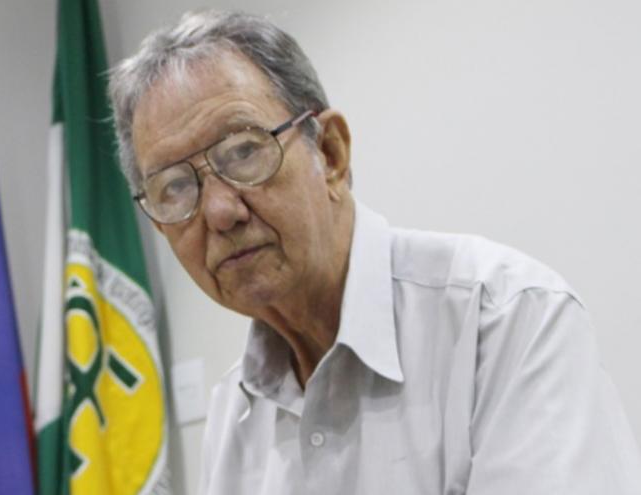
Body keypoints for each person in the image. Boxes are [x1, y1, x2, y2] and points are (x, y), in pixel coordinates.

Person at [109, 10, 641, 495]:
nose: (220, 212)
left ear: (330, 154)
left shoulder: (507, 319)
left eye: (244, 151)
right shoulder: (233, 414)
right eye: (174, 187)